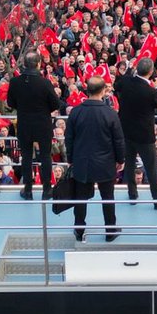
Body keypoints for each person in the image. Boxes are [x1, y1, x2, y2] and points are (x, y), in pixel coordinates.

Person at [64, 76, 125, 241]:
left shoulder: (76, 112)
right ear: (103, 91)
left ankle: (79, 230)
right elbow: (118, 140)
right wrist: (120, 160)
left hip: (82, 162)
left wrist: (70, 158)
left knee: (80, 199)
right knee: (108, 198)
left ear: (86, 90)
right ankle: (110, 231)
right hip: (105, 163)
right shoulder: (110, 113)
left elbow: (69, 138)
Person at [114, 58, 157, 208]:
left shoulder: (126, 82)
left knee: (129, 163)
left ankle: (132, 194)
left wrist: (129, 71)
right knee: (151, 167)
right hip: (144, 136)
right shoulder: (150, 91)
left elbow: (116, 85)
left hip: (126, 131)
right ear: (151, 72)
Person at [6, 51, 61, 200]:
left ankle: (28, 190)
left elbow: (10, 103)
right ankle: (47, 190)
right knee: (45, 157)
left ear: (24, 64)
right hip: (42, 124)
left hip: (24, 124)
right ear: (38, 64)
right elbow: (55, 104)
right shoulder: (45, 83)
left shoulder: (15, 82)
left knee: (26, 157)